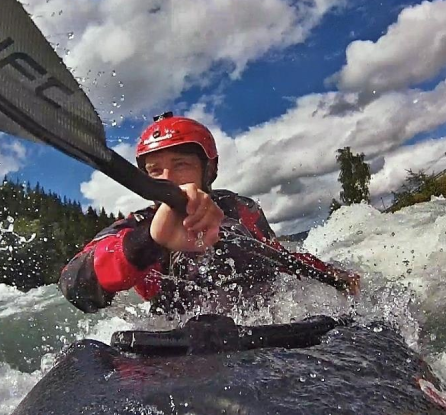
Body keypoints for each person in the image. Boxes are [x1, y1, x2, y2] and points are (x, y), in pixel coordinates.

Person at [59, 112, 360, 315]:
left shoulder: (240, 209)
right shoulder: (138, 227)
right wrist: (149, 242)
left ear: (209, 170)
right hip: (176, 346)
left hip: (259, 330)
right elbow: (76, 284)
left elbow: (279, 257)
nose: (167, 179)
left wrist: (334, 276)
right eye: (155, 171)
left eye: (181, 165)